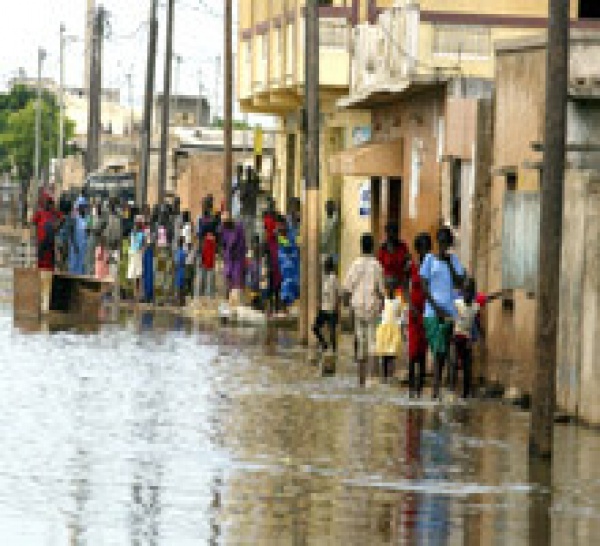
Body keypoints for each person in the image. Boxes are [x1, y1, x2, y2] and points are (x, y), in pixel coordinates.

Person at [419, 227, 465, 399]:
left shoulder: (454, 260)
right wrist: (435, 307)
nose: (444, 246)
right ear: (438, 242)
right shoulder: (429, 260)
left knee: (442, 352)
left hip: (448, 312)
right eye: (441, 242)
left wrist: (450, 264)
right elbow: (424, 285)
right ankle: (436, 389)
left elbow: (460, 282)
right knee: (437, 349)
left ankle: (437, 390)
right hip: (432, 312)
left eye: (447, 243)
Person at [343, 233, 386, 387]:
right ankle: (371, 379)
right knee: (372, 342)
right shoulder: (377, 266)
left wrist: (347, 308)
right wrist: (383, 305)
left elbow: (347, 289)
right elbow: (382, 291)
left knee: (360, 343)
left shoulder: (355, 265)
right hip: (372, 309)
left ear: (361, 246)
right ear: (372, 246)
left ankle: (360, 382)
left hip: (358, 309)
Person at [407, 233, 432, 398]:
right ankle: (411, 389)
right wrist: (410, 305)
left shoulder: (432, 267)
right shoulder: (412, 266)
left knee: (423, 350)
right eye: (421, 248)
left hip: (427, 310)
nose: (424, 252)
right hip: (414, 311)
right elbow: (404, 285)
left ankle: (420, 389)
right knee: (413, 351)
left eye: (426, 248)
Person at [375, 278, 406, 383]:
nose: (390, 289)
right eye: (388, 287)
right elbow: (379, 313)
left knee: (392, 354)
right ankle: (384, 376)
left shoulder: (399, 301)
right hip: (384, 329)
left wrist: (400, 324)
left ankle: (391, 375)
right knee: (384, 354)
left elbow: (402, 314)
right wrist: (378, 324)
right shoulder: (383, 300)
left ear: (395, 289)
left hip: (394, 329)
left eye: (392, 287)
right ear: (386, 289)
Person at [312, 255, 339, 353]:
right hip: (323, 308)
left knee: (332, 332)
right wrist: (319, 303)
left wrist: (337, 307)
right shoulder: (324, 278)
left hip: (331, 309)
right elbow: (322, 292)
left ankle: (334, 351)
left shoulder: (334, 278)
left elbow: (337, 293)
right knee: (315, 328)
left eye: (326, 265)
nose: (325, 267)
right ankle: (324, 344)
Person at [32, 194, 63, 272]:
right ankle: (40, 273)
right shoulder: (39, 212)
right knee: (41, 259)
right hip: (42, 240)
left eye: (49, 203)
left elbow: (62, 218)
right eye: (46, 202)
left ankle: (49, 274)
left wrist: (57, 227)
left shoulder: (54, 212)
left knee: (50, 259)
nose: (47, 204)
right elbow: (34, 223)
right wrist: (35, 237)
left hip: (50, 240)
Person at [220, 212, 247, 296]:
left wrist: (236, 251)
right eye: (223, 223)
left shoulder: (238, 227)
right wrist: (224, 254)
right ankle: (228, 296)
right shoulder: (223, 229)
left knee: (237, 279)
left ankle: (236, 298)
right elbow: (223, 243)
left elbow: (242, 243)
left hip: (238, 258)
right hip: (228, 258)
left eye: (226, 222)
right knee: (228, 277)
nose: (225, 224)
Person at [377, 222, 410, 290]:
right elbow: (379, 268)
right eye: (389, 232)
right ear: (387, 233)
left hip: (400, 284)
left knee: (399, 300)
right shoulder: (383, 249)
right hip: (386, 284)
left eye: (394, 232)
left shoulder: (403, 247)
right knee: (387, 300)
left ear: (397, 233)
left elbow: (408, 263)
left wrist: (405, 279)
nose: (392, 235)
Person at [277, 217, 300, 311]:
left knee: (291, 284)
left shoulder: (291, 234)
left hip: (293, 264)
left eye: (282, 225)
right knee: (286, 284)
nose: (280, 227)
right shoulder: (281, 235)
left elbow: (290, 246)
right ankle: (284, 304)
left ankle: (286, 304)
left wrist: (281, 237)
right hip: (284, 265)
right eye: (279, 225)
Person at [68, 197, 89, 276]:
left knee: (81, 266)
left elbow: (87, 232)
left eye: (85, 206)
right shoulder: (74, 218)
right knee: (73, 266)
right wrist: (74, 245)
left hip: (83, 246)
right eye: (82, 206)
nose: (84, 208)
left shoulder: (86, 218)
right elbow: (71, 232)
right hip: (75, 246)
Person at [128, 216, 145, 301]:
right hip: (138, 254)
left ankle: (134, 293)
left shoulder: (132, 233)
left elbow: (131, 243)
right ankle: (137, 294)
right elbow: (143, 245)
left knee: (132, 273)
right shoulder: (141, 234)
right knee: (138, 274)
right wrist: (142, 250)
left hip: (132, 253)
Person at [198, 229, 217, 298]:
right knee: (210, 280)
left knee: (203, 279)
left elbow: (203, 252)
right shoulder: (213, 242)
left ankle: (201, 295)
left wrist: (201, 261)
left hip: (205, 263)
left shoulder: (205, 242)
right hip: (210, 263)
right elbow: (212, 252)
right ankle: (210, 295)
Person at [321, 200, 339, 267]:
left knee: (331, 272)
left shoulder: (332, 220)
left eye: (327, 207)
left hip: (331, 252)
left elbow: (325, 237)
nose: (326, 210)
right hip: (327, 252)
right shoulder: (327, 220)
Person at [142, 230, 155, 303]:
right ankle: (148, 296)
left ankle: (148, 296)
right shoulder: (149, 250)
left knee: (148, 277)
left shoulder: (148, 250)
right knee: (147, 276)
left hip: (148, 258)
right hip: (148, 258)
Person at [174, 236, 187, 306]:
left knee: (178, 287)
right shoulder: (183, 252)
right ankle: (183, 301)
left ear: (178, 243)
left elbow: (177, 262)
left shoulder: (178, 252)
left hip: (179, 270)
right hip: (183, 270)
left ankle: (178, 301)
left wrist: (174, 269)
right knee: (182, 287)